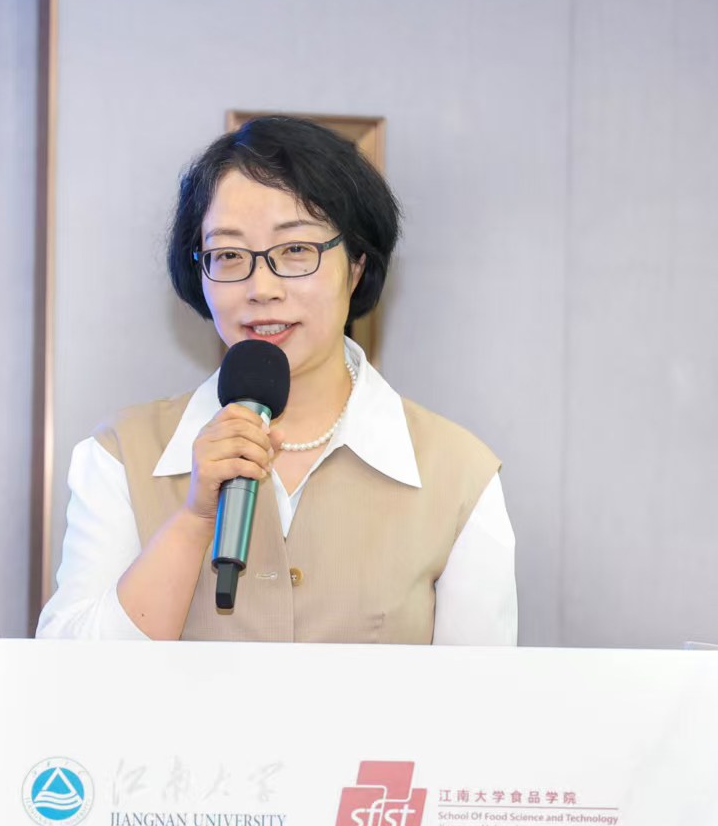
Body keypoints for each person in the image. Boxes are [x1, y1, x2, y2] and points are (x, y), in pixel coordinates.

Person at [36, 116, 515, 643]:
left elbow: (480, 691)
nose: (261, 287)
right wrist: (194, 517)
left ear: (356, 265)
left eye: (295, 251)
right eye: (228, 255)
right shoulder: (121, 455)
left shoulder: (458, 475)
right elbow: (69, 672)